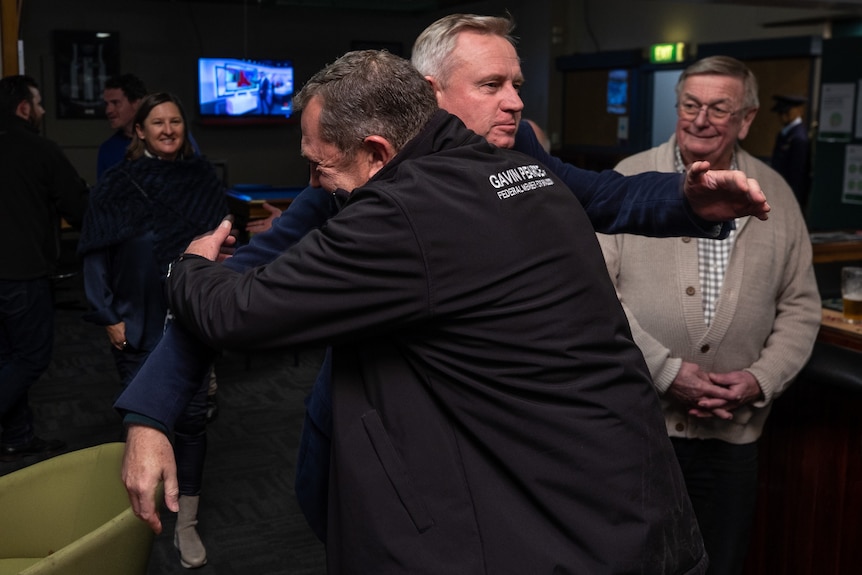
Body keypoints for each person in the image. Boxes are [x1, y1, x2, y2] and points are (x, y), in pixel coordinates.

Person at [115, 13, 769, 550]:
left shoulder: (515, 163)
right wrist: (153, 412)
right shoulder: (353, 180)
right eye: (491, 84)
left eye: (516, 83)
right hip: (383, 432)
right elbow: (245, 291)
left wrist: (686, 198)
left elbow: (602, 192)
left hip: (516, 460)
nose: (515, 100)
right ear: (427, 96)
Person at [596, 56, 821, 575]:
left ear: (746, 118)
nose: (700, 119)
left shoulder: (778, 193)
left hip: (733, 437)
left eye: (719, 108)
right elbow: (596, 296)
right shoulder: (629, 178)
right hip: (638, 433)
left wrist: (758, 379)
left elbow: (802, 305)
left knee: (720, 563)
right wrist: (668, 372)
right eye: (691, 105)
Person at [77, 92, 227, 568]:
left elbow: (218, 246)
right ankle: (138, 521)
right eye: (157, 122)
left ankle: (185, 525)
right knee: (146, 423)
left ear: (185, 129)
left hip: (191, 321)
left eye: (175, 121)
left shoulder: (203, 180)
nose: (167, 129)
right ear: (138, 131)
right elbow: (96, 255)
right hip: (137, 322)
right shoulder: (117, 184)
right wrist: (108, 314)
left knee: (191, 423)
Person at [0, 75, 89, 462]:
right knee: (31, 356)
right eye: (38, 103)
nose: (42, 111)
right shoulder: (40, 150)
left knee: (8, 358)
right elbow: (80, 209)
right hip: (22, 273)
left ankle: (18, 437)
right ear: (24, 108)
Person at [97, 74, 148, 180]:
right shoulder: (108, 150)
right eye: (106, 104)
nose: (108, 110)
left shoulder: (166, 138)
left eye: (115, 103)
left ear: (137, 103)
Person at [770, 93, 810, 207]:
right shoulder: (785, 133)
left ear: (798, 111)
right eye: (780, 113)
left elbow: (798, 174)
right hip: (780, 186)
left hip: (791, 192)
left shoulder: (799, 137)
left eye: (786, 112)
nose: (782, 116)